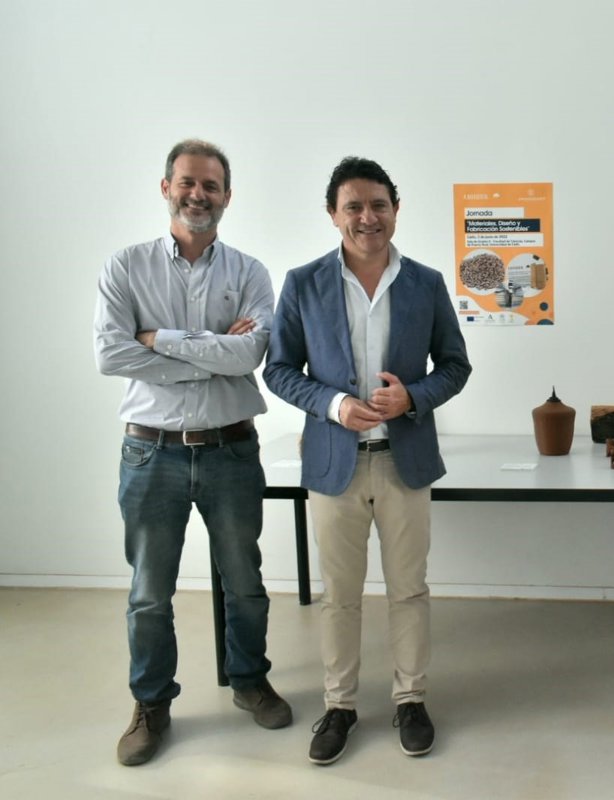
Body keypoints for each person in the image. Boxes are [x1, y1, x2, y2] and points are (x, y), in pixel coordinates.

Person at [264, 156, 471, 765]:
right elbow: (279, 369)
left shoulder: (426, 283)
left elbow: (455, 365)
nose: (367, 217)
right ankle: (340, 705)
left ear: (395, 210)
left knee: (409, 589)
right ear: (333, 214)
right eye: (352, 206)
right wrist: (332, 405)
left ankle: (411, 699)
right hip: (335, 464)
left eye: (378, 204)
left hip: (404, 461)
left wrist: (412, 397)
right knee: (340, 595)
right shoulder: (303, 283)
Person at [94, 139, 292, 767]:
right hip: (151, 454)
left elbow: (250, 354)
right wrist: (210, 352)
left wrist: (161, 340)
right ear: (166, 188)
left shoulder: (251, 273)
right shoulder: (125, 267)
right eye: (187, 182)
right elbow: (111, 354)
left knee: (245, 583)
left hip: (231, 451)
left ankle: (249, 680)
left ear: (226, 196)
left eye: (210, 185)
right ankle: (151, 703)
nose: (197, 194)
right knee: (149, 593)